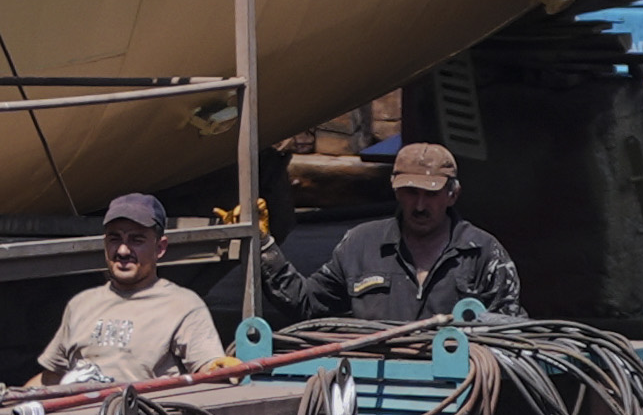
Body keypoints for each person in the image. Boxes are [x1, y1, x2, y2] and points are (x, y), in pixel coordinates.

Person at [270, 138, 526, 326]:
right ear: (395, 189)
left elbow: (511, 333)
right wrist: (264, 248)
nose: (420, 206)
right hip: (377, 379)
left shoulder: (482, 252)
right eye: (411, 192)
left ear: (453, 195)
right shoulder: (360, 245)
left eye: (431, 194)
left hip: (460, 381)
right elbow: (308, 304)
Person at [32, 194, 228, 388]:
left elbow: (210, 373)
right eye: (115, 239)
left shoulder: (183, 306)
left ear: (160, 248)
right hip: (81, 408)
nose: (123, 251)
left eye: (136, 240)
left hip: (144, 408)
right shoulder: (81, 305)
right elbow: (52, 378)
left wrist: (220, 368)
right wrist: (15, 399)